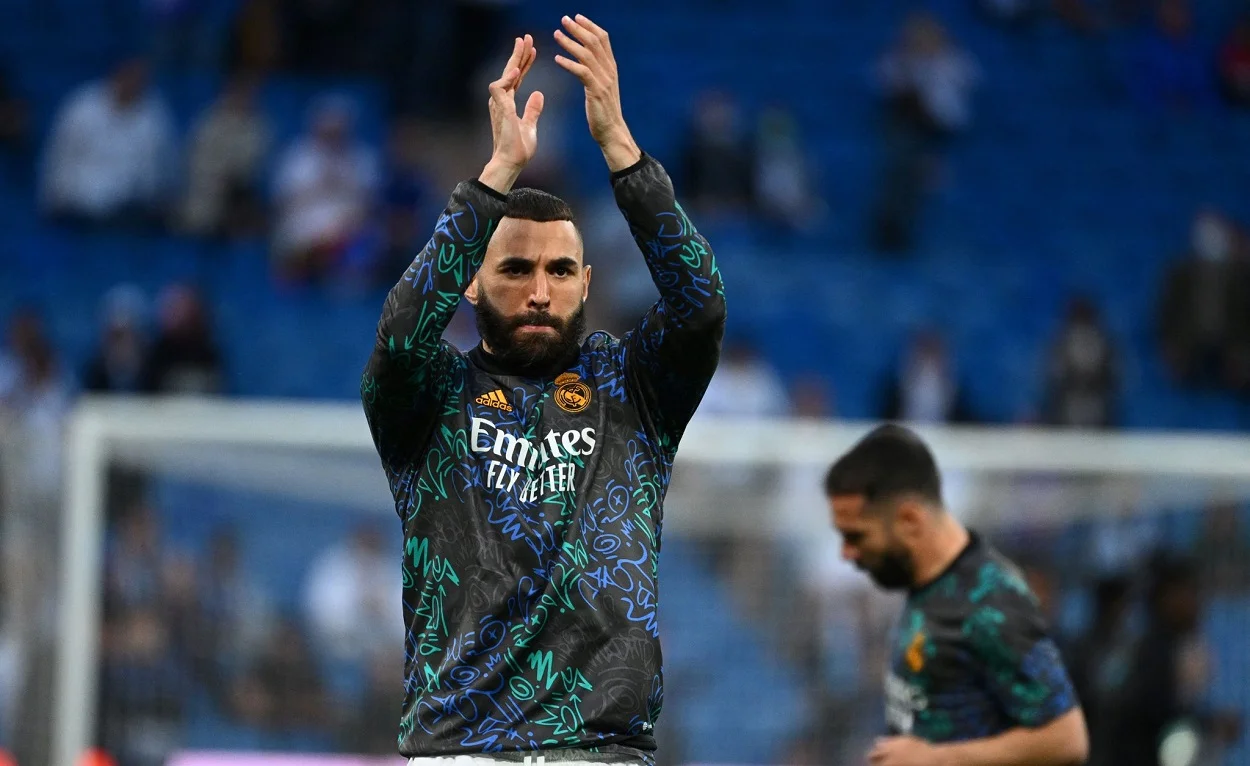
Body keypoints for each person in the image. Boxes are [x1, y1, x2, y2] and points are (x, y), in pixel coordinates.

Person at [361, 18, 725, 764]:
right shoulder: (430, 397)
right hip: (461, 747)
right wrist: (494, 177)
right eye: (515, 269)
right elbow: (399, 335)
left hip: (601, 749)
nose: (539, 290)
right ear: (470, 284)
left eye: (559, 271)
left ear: (586, 284)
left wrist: (619, 148)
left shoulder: (633, 389)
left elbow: (699, 305)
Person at [823, 424, 1088, 766]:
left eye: (856, 536)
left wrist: (937, 758)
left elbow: (1066, 739)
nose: (846, 553)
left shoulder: (990, 604)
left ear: (909, 520)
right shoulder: (926, 583)